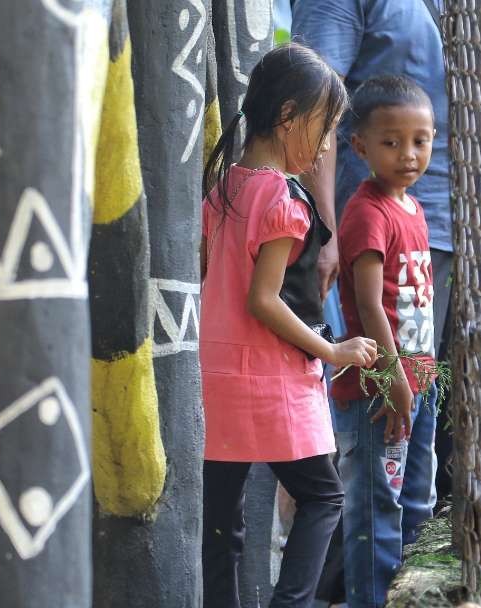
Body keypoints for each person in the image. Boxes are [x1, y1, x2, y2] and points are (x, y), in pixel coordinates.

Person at [198, 43, 379, 608]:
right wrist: (334, 350)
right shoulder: (282, 197)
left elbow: (215, 280)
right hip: (271, 381)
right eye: (324, 130)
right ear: (287, 117)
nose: (327, 146)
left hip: (218, 376)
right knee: (324, 497)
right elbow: (264, 300)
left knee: (223, 524)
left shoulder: (225, 187)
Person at [330, 75, 440, 608]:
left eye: (420, 140)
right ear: (360, 147)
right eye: (391, 142)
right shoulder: (367, 212)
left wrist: (420, 379)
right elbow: (371, 304)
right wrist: (395, 380)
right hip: (382, 387)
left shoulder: (412, 209)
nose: (408, 154)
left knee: (418, 498)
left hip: (419, 379)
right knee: (377, 511)